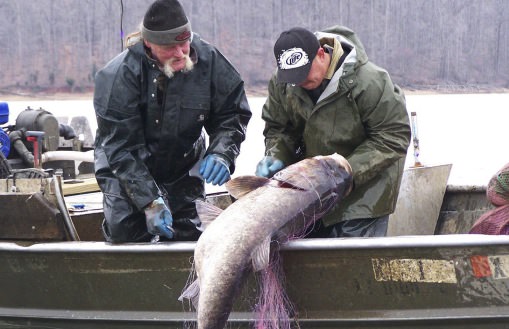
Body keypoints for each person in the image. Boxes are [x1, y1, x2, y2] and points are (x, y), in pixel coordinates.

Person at [93, 0, 251, 243]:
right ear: (148, 43)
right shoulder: (117, 77)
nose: (180, 53)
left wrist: (222, 152)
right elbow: (120, 149)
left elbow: (232, 114)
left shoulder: (209, 60)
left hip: (182, 164)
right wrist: (149, 200)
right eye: (169, 47)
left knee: (188, 235)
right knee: (125, 233)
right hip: (125, 167)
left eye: (184, 43)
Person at [256, 26, 411, 238]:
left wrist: (345, 171)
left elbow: (393, 137)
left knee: (350, 260)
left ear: (321, 54)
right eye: (294, 76)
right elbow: (279, 127)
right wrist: (276, 154)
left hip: (365, 192)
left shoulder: (371, 81)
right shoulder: (284, 82)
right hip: (312, 188)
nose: (300, 81)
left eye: (304, 74)